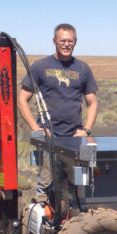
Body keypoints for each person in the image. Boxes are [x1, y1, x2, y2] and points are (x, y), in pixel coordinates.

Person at [17, 23, 98, 202]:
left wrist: (87, 130)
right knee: (45, 183)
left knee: (83, 180)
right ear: (54, 41)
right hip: (48, 134)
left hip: (76, 135)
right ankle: (42, 214)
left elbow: (92, 103)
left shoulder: (83, 68)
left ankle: (79, 211)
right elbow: (22, 99)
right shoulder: (40, 66)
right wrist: (36, 128)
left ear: (75, 42)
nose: (66, 44)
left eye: (70, 41)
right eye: (62, 40)